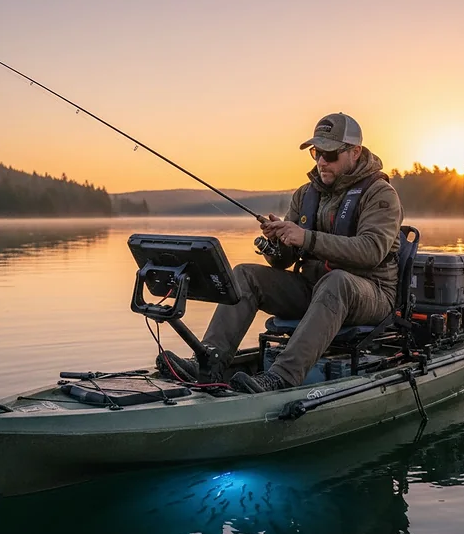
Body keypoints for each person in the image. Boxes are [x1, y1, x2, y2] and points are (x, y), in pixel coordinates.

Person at [157, 112, 403, 392]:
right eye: (316, 152)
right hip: (313, 288)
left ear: (355, 152)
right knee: (245, 275)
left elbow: (371, 251)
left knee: (337, 283)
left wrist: (305, 238)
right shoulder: (304, 195)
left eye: (330, 154)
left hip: (371, 294)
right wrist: (277, 243)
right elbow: (283, 262)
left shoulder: (381, 194)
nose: (322, 161)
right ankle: (209, 361)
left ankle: (281, 376)